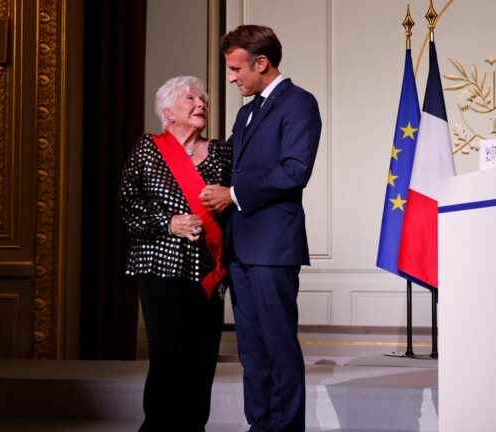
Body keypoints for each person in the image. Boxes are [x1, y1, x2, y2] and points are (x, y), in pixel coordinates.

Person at [200, 25, 322, 432]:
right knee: (252, 351)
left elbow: (294, 171)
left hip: (273, 249)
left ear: (262, 63)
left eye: (236, 69)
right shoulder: (247, 111)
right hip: (242, 249)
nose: (232, 77)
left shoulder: (299, 104)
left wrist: (233, 194)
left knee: (278, 347)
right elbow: (228, 158)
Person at [120, 76, 231, 432]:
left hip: (206, 271)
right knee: (168, 359)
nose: (201, 103)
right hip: (158, 268)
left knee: (202, 363)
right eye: (190, 98)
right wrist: (169, 222)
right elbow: (128, 205)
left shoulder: (221, 152)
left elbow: (236, 205)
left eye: (203, 98)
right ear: (167, 111)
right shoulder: (148, 149)